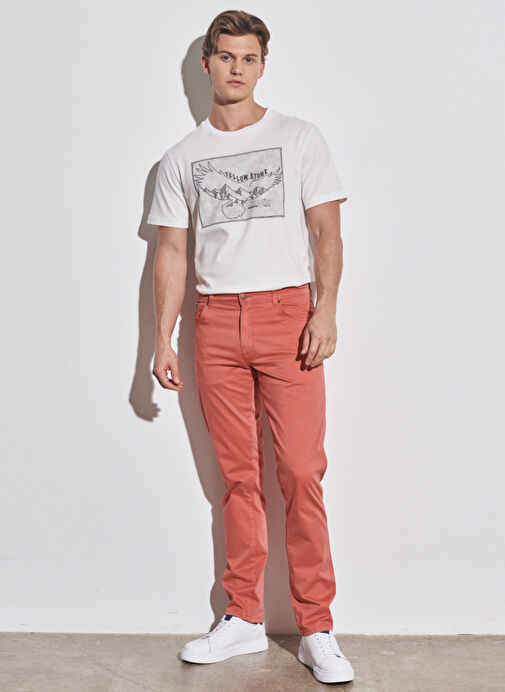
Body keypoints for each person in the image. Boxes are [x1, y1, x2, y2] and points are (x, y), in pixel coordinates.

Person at [148, 9, 354, 685]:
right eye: (225, 56)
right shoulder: (181, 158)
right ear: (206, 63)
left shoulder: (299, 137)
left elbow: (326, 233)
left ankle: (316, 627)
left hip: (287, 315)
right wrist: (162, 339)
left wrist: (325, 310)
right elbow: (170, 252)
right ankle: (242, 617)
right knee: (237, 478)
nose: (236, 68)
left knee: (300, 472)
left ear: (263, 66)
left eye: (248, 58)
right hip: (213, 324)